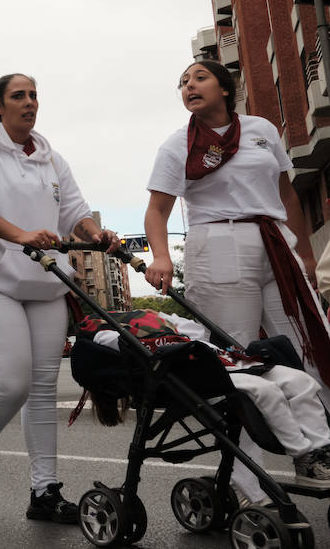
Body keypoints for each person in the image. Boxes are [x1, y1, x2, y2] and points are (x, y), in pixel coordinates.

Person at [143, 58, 330, 504]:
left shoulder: (261, 129)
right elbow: (157, 210)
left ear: (225, 89)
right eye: (183, 82)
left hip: (275, 242)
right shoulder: (176, 147)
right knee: (235, 362)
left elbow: (285, 193)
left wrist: (303, 250)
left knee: (306, 348)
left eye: (199, 77)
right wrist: (162, 256)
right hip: (219, 243)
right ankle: (252, 488)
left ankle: (316, 453)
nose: (189, 85)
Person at [0, 72, 118, 524]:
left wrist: (97, 234)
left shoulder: (51, 158)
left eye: (34, 95)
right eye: (18, 96)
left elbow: (76, 212)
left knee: (42, 392)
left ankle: (44, 491)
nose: (29, 102)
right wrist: (20, 234)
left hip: (45, 284)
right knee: (12, 383)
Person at [85, 309, 330, 487]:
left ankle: (322, 450)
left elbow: (199, 331)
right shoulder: (107, 332)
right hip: (203, 373)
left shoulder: (165, 320)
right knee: (267, 391)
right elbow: (126, 347)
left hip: (230, 362)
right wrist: (169, 336)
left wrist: (172, 327)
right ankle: (303, 456)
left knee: (303, 381)